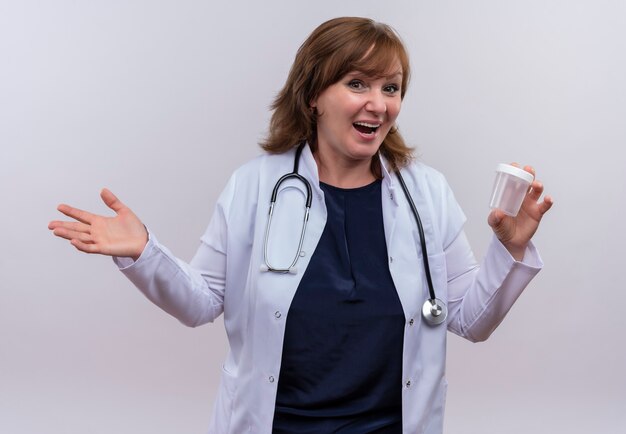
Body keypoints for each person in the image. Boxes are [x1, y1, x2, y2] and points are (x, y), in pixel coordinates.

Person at [48, 17, 553, 434]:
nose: (378, 103)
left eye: (391, 88)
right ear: (313, 94)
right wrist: (143, 253)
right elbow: (200, 301)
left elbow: (469, 319)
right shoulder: (254, 186)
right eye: (357, 83)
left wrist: (508, 250)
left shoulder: (427, 194)